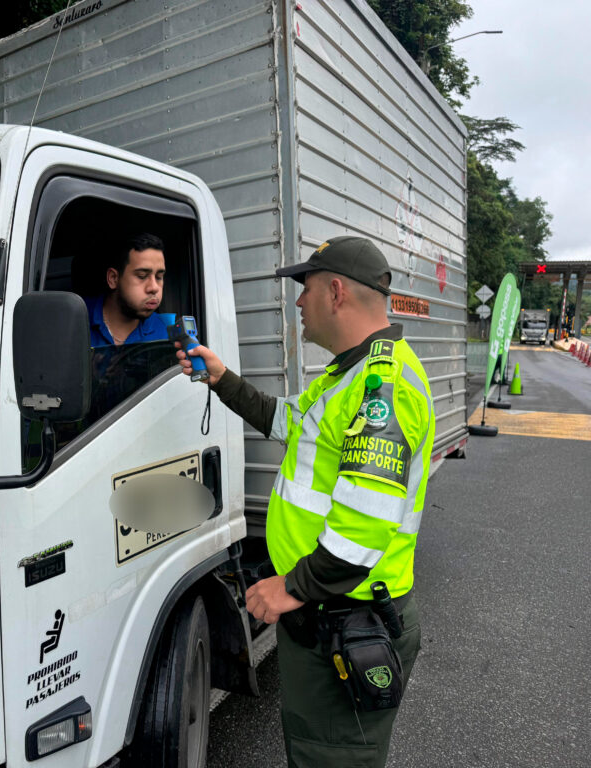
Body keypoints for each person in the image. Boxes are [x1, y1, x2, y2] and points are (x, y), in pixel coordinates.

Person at [176, 236, 434, 768]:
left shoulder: (381, 389)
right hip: (329, 611)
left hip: (346, 616)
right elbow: (287, 422)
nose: (298, 303)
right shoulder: (348, 375)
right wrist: (221, 379)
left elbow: (361, 530)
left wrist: (289, 586)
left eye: (306, 288)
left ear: (336, 291)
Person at [85, 233, 169, 347]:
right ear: (113, 278)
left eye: (159, 277)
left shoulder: (165, 331)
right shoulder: (76, 320)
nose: (154, 288)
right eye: (142, 276)